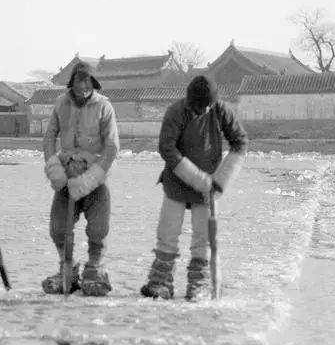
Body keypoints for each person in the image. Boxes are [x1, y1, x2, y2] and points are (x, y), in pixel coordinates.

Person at [140, 75, 248, 301]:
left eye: (207, 105)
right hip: (177, 182)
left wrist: (220, 181)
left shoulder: (220, 111)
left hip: (208, 188)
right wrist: (197, 178)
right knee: (167, 234)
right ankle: (161, 281)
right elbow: (167, 148)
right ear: (190, 101)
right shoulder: (176, 112)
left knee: (204, 238)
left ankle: (199, 283)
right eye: (199, 106)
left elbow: (240, 142)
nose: (203, 109)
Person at [42, 62, 119, 296]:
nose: (83, 86)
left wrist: (92, 177)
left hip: (94, 179)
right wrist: (54, 168)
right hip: (65, 178)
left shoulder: (104, 106)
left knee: (98, 229)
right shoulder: (60, 104)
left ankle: (95, 268)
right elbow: (49, 138)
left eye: (87, 81)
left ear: (93, 83)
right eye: (79, 80)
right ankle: (67, 268)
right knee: (58, 228)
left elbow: (112, 146)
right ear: (72, 82)